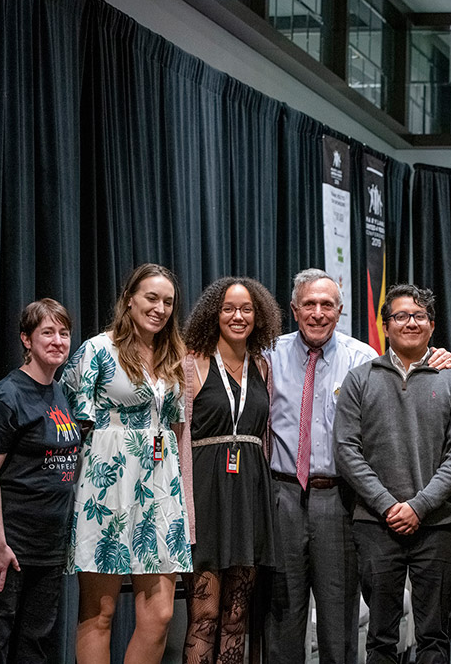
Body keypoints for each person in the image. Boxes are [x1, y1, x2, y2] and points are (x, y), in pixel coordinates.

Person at [263, 269, 451, 664]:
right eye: (310, 305)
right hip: (279, 495)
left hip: (337, 498)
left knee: (340, 619)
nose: (318, 313)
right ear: (294, 309)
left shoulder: (361, 359)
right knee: (281, 616)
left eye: (327, 305)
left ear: (340, 310)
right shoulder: (268, 354)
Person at [335, 283, 451, 664]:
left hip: (438, 525)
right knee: (380, 637)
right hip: (375, 524)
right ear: (386, 325)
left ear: (431, 325)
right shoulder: (360, 379)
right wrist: (387, 505)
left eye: (418, 316)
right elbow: (346, 450)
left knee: (433, 636)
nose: (409, 322)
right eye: (400, 316)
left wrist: (419, 507)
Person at [62, 263, 189, 664]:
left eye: (168, 301)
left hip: (159, 480)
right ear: (129, 298)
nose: (160, 308)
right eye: (152, 298)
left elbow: (176, 426)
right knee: (101, 613)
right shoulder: (99, 349)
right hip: (108, 478)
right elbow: (70, 421)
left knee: (162, 613)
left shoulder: (174, 354)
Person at [0, 298, 80, 664]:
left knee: (35, 645)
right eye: (47, 332)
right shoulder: (6, 397)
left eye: (64, 333)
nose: (58, 340)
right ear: (26, 340)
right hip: (7, 549)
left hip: (48, 548)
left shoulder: (59, 393)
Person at [180, 277, 282, 663]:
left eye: (246, 309)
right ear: (214, 313)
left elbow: (265, 436)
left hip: (249, 498)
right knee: (203, 615)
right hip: (206, 496)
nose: (237, 316)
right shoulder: (192, 363)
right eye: (228, 308)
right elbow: (180, 437)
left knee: (237, 616)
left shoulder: (262, 366)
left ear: (259, 317)